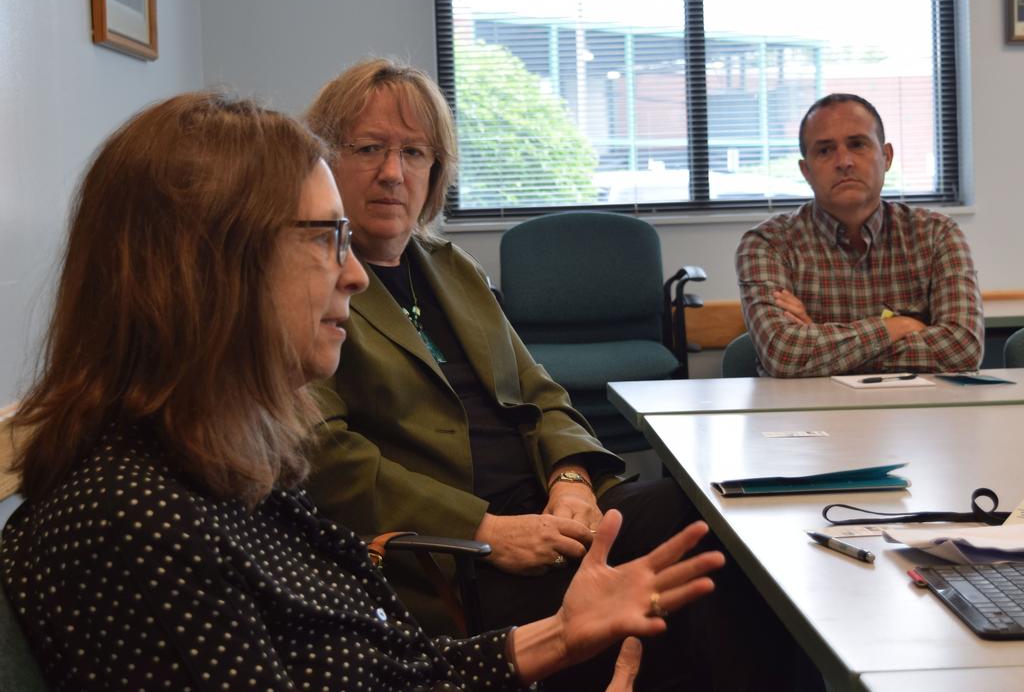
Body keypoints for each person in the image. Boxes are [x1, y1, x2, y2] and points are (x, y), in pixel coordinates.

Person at [0, 91, 725, 691]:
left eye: (414, 153)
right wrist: (499, 547)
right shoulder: (137, 523)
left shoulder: (233, 469)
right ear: (205, 268)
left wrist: (559, 635)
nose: (351, 275)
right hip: (466, 553)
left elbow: (390, 670)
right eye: (325, 239)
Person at [303, 58, 815, 691]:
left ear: (435, 169)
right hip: (460, 558)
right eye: (369, 148)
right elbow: (326, 457)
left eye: (413, 152)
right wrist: (485, 530)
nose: (392, 171)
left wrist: (571, 480)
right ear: (326, 159)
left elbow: (540, 393)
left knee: (724, 529)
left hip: (555, 515)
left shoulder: (452, 268)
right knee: (700, 590)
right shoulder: (311, 284)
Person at [735, 93, 983, 378]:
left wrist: (819, 343)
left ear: (886, 157)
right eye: (825, 151)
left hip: (914, 405)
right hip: (809, 405)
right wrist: (897, 326)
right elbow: (784, 354)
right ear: (806, 171)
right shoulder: (768, 244)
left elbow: (963, 349)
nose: (844, 161)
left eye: (857, 144)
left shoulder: (936, 234)